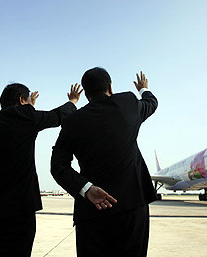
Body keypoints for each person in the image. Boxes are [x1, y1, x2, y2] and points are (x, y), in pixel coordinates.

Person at [51, 67, 158, 257]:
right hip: (131, 208)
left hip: (91, 211)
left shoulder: (71, 121)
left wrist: (86, 188)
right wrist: (143, 89)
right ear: (110, 86)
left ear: (85, 93)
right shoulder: (128, 103)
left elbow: (58, 166)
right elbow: (151, 102)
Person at [0, 83, 83, 257]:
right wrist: (72, 101)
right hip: (19, 207)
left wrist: (29, 107)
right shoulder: (26, 117)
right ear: (21, 100)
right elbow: (57, 116)